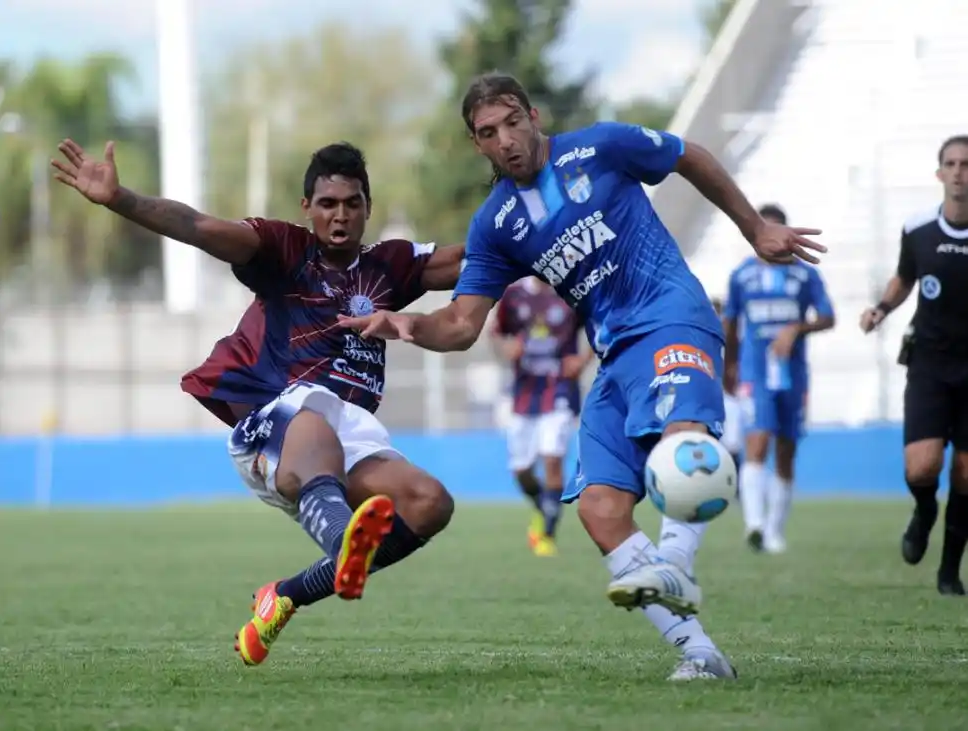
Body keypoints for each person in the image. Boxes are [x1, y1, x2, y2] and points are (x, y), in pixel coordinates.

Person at [339, 72, 826, 680]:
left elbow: (688, 156)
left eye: (514, 121)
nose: (507, 139)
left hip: (672, 315)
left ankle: (675, 556)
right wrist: (406, 325)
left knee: (684, 439)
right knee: (598, 509)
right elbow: (463, 325)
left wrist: (754, 227)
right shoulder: (497, 224)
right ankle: (701, 655)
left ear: (534, 116)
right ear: (478, 145)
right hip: (615, 355)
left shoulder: (601, 147)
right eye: (490, 132)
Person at [50, 138, 466, 662]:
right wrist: (121, 200)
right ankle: (344, 548)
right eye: (327, 204)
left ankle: (286, 595)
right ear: (306, 209)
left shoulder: (390, 266)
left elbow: (475, 258)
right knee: (314, 413)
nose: (340, 216)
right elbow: (197, 226)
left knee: (430, 504)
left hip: (349, 430)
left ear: (368, 209)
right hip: (275, 422)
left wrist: (542, 234)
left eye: (352, 204)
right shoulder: (282, 249)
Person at [860, 135, 968, 596]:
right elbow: (906, 277)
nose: (960, 171)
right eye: (952, 163)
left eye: (967, 163)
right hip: (928, 365)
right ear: (939, 173)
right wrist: (881, 308)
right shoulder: (919, 228)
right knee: (921, 469)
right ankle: (924, 512)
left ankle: (949, 573)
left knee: (965, 473)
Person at [722, 204, 835, 555]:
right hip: (756, 373)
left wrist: (797, 328)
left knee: (786, 451)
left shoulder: (804, 275)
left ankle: (774, 531)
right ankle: (754, 524)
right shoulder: (742, 276)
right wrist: (730, 365)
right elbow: (730, 323)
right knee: (757, 443)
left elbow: (828, 317)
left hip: (793, 374)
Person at [491, 276, 593, 556]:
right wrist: (506, 349)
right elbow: (497, 333)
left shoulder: (572, 289)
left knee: (552, 458)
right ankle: (544, 507)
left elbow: (601, 325)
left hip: (560, 388)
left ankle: (547, 534)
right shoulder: (514, 294)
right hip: (524, 393)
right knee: (522, 470)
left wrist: (583, 360)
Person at [710, 296, 743, 481]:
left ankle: (735, 484)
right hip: (705, 396)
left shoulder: (732, 340)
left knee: (732, 443)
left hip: (727, 396)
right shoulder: (697, 337)